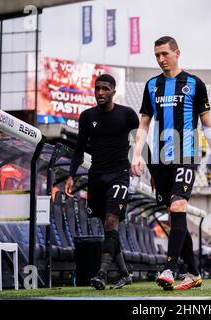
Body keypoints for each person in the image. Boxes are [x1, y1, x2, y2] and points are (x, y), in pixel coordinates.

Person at [131, 36, 211, 291]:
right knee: (175, 215)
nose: (161, 59)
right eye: (157, 55)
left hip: (187, 154)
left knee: (177, 205)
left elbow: (207, 124)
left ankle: (170, 269)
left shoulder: (195, 84)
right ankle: (193, 272)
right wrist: (138, 154)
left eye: (165, 54)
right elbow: (143, 124)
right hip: (160, 159)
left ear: (177, 53)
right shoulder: (152, 85)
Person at [65, 74, 138, 290]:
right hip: (96, 176)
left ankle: (102, 273)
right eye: (97, 89)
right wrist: (70, 175)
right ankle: (125, 274)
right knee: (108, 230)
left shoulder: (127, 114)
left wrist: (153, 172)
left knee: (111, 221)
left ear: (113, 91)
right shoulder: (87, 116)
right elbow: (79, 149)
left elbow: (142, 143)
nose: (100, 93)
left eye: (105, 89)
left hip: (120, 174)